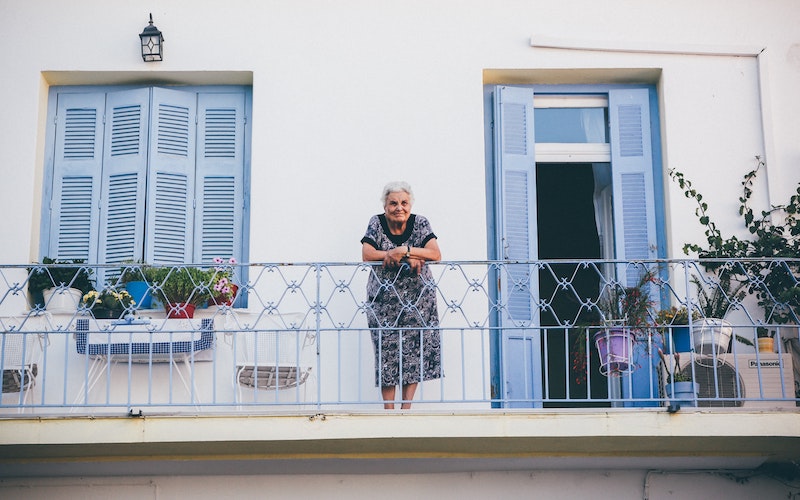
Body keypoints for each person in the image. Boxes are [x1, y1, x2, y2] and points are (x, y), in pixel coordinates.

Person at [361, 181, 442, 409]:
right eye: (393, 203)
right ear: (385, 206)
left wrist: (403, 251)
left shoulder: (421, 223)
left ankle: (406, 409)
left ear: (411, 204)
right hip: (384, 300)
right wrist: (393, 254)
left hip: (418, 300)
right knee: (386, 352)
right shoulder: (376, 223)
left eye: (404, 203)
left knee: (414, 351)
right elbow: (367, 254)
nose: (399, 207)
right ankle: (389, 410)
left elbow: (435, 253)